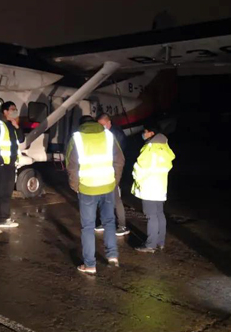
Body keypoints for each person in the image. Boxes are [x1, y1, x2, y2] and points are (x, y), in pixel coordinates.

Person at [66, 115, 125, 274]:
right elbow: (120, 160)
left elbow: (71, 166)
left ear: (81, 125)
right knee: (109, 221)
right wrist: (114, 180)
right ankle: (112, 256)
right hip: (107, 185)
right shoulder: (108, 135)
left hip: (87, 188)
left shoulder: (77, 138)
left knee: (88, 227)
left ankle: (90, 265)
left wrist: (76, 186)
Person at [131, 122, 175, 253]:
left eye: (145, 131)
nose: (143, 134)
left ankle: (150, 244)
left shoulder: (149, 148)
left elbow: (140, 167)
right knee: (159, 213)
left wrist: (136, 178)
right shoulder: (165, 147)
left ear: (151, 133)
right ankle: (160, 242)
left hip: (148, 186)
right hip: (161, 185)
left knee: (151, 216)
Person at [0, 101, 25, 234]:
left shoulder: (11, 125)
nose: (15, 111)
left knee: (6, 193)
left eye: (16, 109)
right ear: (5, 111)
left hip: (10, 165)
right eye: (13, 109)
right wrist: (0, 161)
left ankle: (4, 218)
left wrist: (17, 126)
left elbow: (21, 139)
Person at [95, 113, 129, 236]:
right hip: (104, 171)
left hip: (113, 171)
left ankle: (122, 225)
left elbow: (119, 157)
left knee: (115, 199)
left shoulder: (116, 135)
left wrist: (116, 176)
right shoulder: (103, 134)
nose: (100, 127)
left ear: (108, 122)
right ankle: (105, 222)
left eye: (102, 125)